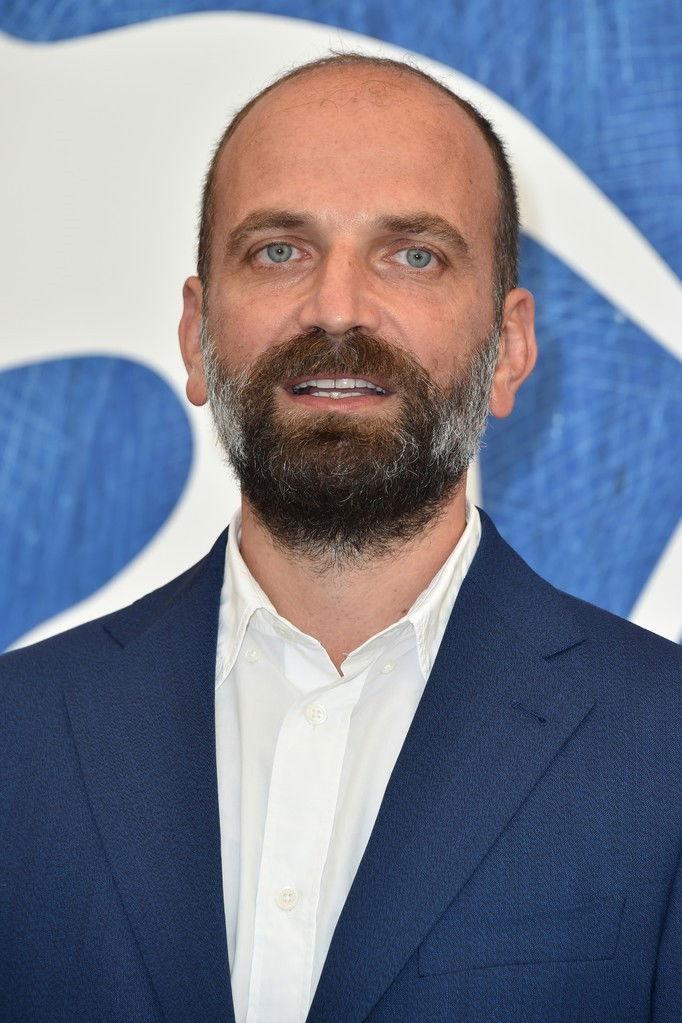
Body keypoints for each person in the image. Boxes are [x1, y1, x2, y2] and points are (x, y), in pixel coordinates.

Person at [1, 52, 680, 1023]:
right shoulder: (18, 737)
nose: (336, 307)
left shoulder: (663, 746)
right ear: (195, 335)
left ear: (510, 348)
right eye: (280, 250)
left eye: (414, 255)